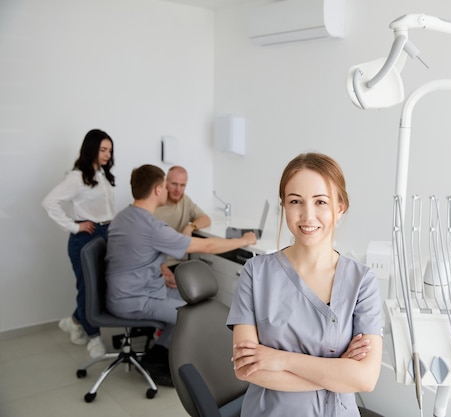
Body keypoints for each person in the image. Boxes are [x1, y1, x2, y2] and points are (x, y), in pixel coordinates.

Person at [227, 152, 384, 417]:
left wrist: (280, 359)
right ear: (284, 206)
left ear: (339, 208)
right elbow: (247, 369)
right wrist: (338, 369)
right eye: (295, 201)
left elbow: (365, 379)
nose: (307, 215)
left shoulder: (362, 282)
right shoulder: (255, 273)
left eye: (321, 201)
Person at [105, 164, 257, 386]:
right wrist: (244, 241)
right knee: (192, 314)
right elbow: (205, 247)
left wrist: (159, 269)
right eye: (167, 186)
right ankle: (159, 363)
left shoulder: (123, 216)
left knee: (193, 299)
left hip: (129, 291)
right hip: (135, 299)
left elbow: (133, 255)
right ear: (158, 189)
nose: (170, 190)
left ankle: (159, 353)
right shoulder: (152, 226)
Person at [42, 129, 115, 359]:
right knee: (88, 288)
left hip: (104, 234)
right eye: (103, 150)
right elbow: (49, 202)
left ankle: (74, 320)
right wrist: (75, 226)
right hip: (86, 238)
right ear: (91, 148)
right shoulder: (77, 177)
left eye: (110, 150)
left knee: (98, 287)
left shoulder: (102, 174)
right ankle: (93, 338)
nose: (107, 154)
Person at [154, 165, 211, 288]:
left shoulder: (185, 200)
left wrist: (190, 227)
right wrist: (163, 270)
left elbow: (206, 219)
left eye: (182, 185)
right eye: (174, 184)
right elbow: (147, 247)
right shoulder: (155, 204)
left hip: (181, 263)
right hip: (160, 265)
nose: (178, 190)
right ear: (166, 183)